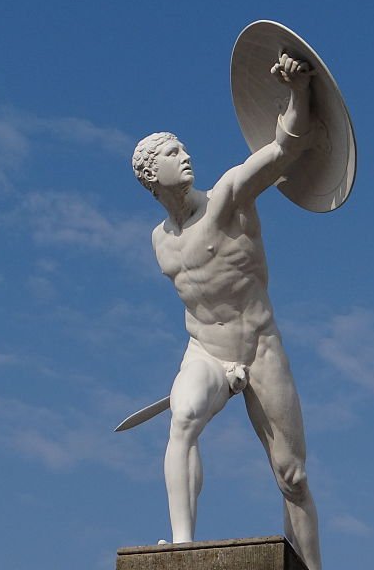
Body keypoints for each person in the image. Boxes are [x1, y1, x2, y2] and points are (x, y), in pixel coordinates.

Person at [131, 52, 321, 570]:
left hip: (259, 346)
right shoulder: (158, 242)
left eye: (182, 146)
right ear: (152, 177)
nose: (184, 155)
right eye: (172, 152)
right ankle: (182, 549)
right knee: (184, 417)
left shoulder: (229, 198)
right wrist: (217, 368)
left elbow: (284, 149)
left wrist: (298, 91)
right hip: (206, 351)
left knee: (292, 476)